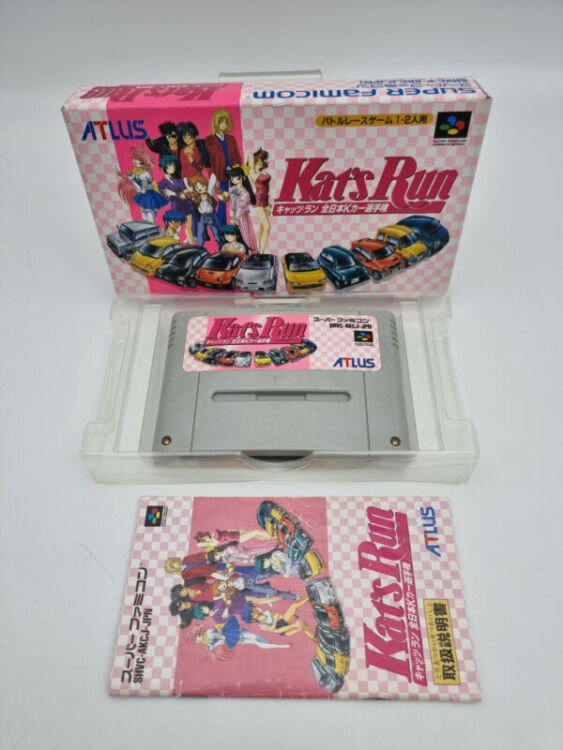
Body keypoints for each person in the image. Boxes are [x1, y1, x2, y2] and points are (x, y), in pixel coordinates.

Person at [205, 109, 242, 224]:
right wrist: (212, 177)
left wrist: (239, 170)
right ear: (216, 122)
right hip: (220, 175)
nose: (224, 125)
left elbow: (237, 156)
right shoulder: (209, 141)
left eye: (226, 122)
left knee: (236, 199)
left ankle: (236, 224)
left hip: (234, 174)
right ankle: (221, 224)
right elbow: (209, 161)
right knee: (222, 200)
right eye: (221, 122)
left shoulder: (231, 139)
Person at [228, 166, 258, 253]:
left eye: (236, 177)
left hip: (242, 217)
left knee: (245, 235)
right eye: (232, 178)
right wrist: (232, 217)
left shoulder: (246, 193)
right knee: (234, 237)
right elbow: (232, 205)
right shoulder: (231, 189)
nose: (233, 179)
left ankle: (251, 253)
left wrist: (236, 218)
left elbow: (241, 208)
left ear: (242, 177)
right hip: (234, 216)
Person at [247, 148, 272, 253]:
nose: (260, 163)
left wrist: (270, 202)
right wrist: (254, 156)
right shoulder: (252, 173)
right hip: (258, 201)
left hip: (266, 200)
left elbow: (267, 188)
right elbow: (249, 155)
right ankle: (261, 252)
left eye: (261, 161)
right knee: (267, 227)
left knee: (262, 226)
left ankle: (258, 250)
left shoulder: (263, 172)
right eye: (257, 161)